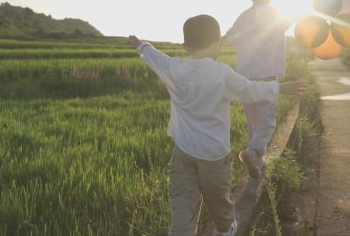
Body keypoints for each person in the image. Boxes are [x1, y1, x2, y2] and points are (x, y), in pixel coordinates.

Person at [128, 14, 306, 236]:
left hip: (183, 153)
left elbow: (157, 58)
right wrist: (280, 88)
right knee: (220, 204)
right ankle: (226, 229)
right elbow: (251, 90)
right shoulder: (221, 74)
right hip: (214, 157)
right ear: (218, 42)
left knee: (182, 208)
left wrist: (141, 46)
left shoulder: (174, 69)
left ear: (185, 46)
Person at [221, 0, 293, 180]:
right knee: (268, 123)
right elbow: (287, 23)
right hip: (266, 76)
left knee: (254, 123)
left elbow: (228, 36)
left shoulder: (243, 16)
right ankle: (252, 153)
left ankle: (258, 164)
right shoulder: (273, 13)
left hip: (244, 78)